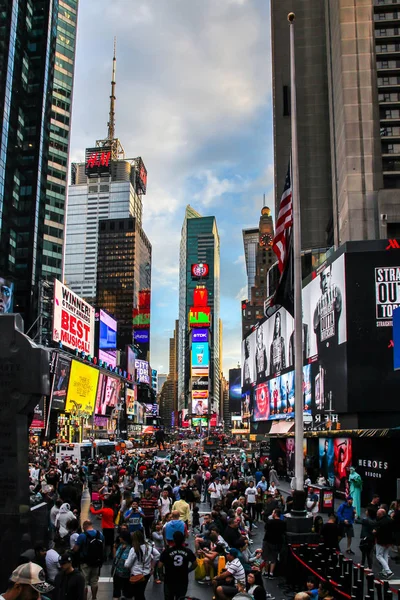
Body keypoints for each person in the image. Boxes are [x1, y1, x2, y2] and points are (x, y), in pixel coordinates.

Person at [158, 530, 197, 600]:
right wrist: (187, 570)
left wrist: (161, 575)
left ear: (173, 540)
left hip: (169, 579)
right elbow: (195, 564)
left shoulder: (167, 552)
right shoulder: (188, 551)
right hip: (182, 579)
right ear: (183, 540)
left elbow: (160, 565)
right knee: (180, 598)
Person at [73, 520, 105, 600]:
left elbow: (76, 549)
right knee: (94, 581)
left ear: (84, 526)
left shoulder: (82, 536)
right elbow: (102, 547)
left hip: (85, 563)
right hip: (96, 562)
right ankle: (94, 597)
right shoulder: (100, 534)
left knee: (84, 582)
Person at [124, 530, 160, 600]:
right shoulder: (149, 547)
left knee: (137, 594)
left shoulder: (134, 549)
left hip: (136, 574)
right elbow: (157, 554)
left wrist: (125, 561)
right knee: (140, 592)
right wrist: (152, 565)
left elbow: (127, 565)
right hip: (146, 573)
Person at [262, 508, 286, 579]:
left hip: (267, 541)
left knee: (266, 557)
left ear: (275, 514)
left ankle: (266, 572)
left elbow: (265, 529)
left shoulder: (270, 522)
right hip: (276, 542)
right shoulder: (283, 523)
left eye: (273, 512)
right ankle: (271, 573)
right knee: (273, 558)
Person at [374, 508, 394, 579]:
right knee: (385, 555)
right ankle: (385, 571)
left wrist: (374, 532)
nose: (376, 514)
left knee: (379, 555)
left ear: (380, 514)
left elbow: (377, 532)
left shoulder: (379, 522)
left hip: (381, 541)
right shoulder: (390, 520)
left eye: (377, 513)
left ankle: (388, 571)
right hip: (389, 541)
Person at [111, 531, 131, 600]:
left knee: (127, 593)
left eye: (120, 537)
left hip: (127, 574)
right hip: (118, 572)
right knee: (116, 592)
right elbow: (116, 556)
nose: (119, 538)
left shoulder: (130, 548)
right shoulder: (120, 545)